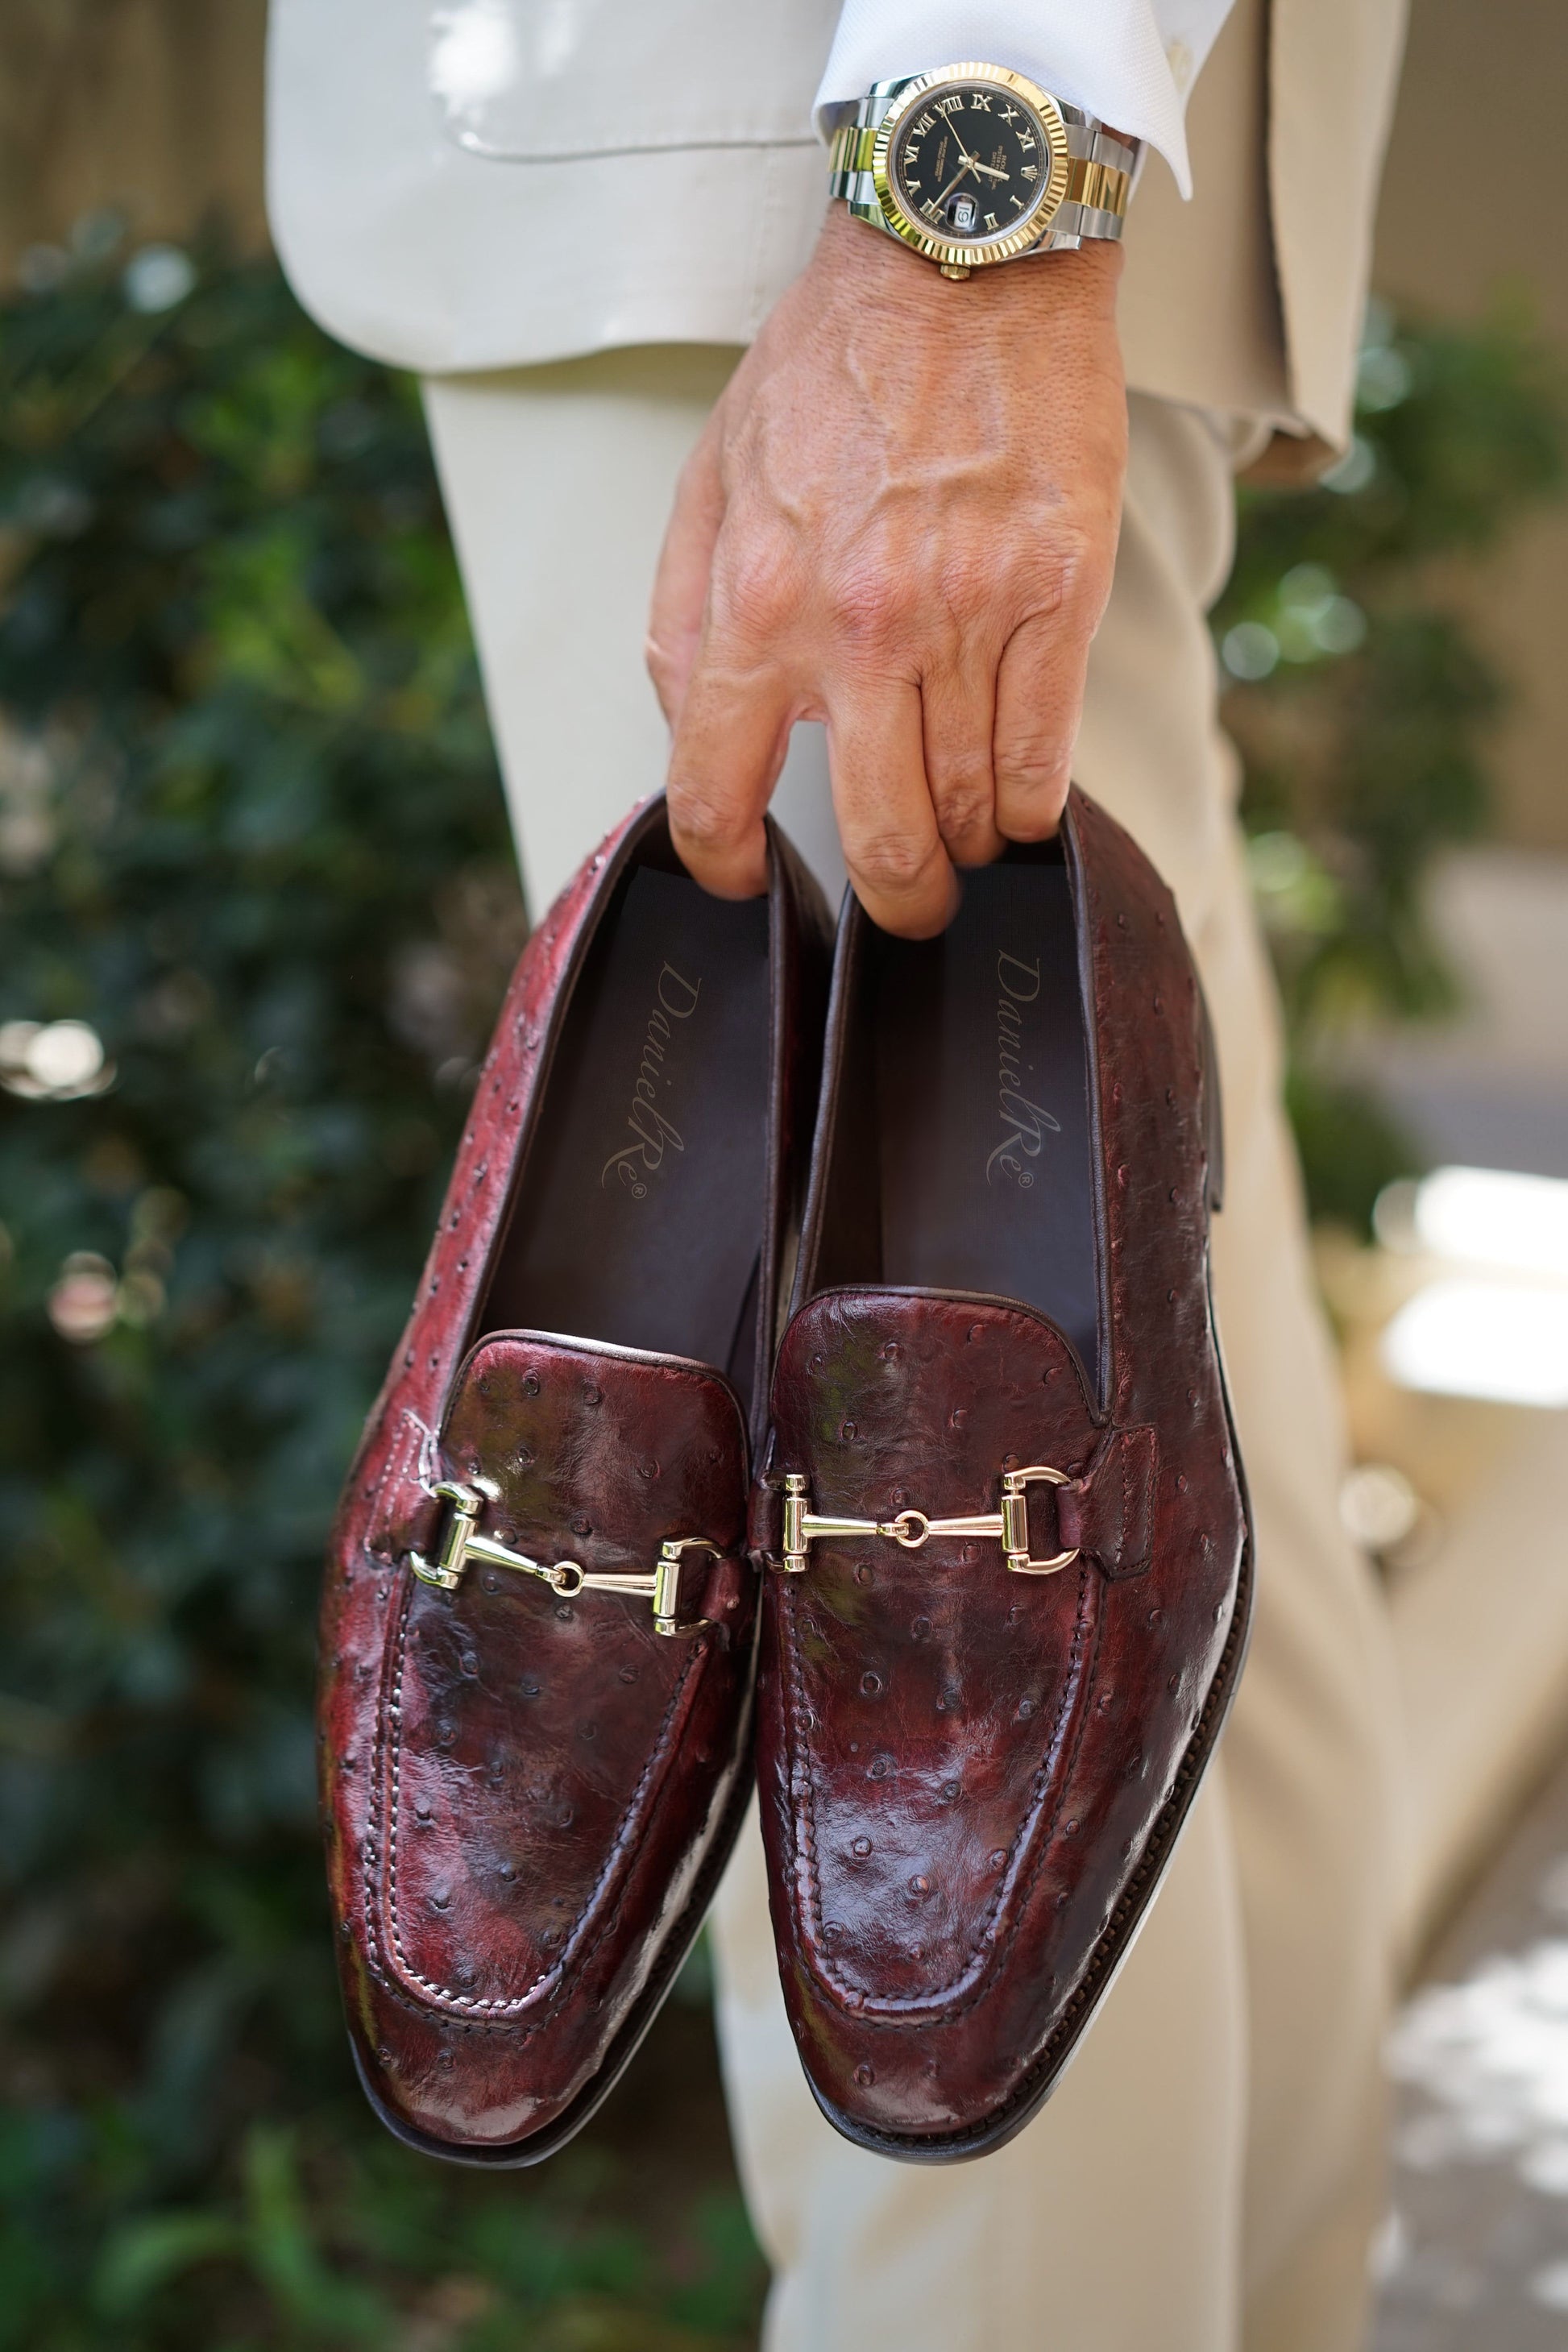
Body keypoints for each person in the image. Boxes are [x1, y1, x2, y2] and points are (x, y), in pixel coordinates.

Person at [268, 1, 1408, 2342]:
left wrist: (953, 211)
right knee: (1159, 1561)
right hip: (996, 156)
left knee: (950, 1743)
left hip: (758, 176)